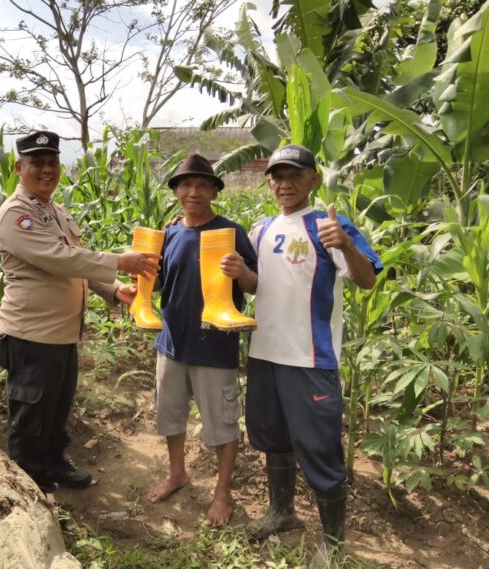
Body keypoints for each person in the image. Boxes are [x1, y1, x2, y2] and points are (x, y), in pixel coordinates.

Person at [238, 144, 383, 567]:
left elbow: (367, 280)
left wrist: (347, 246)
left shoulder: (327, 225)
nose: (285, 183)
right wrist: (238, 271)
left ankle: (333, 542)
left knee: (319, 448)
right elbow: (256, 285)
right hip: (265, 353)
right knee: (273, 437)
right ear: (269, 182)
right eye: (277, 176)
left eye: (295, 175)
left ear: (314, 180)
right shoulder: (261, 229)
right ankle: (282, 512)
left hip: (310, 358)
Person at [0, 130, 159, 494]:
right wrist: (120, 262)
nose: (47, 169)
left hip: (62, 334)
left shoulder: (57, 212)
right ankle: (29, 488)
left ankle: (53, 464)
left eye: (53, 162)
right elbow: (60, 259)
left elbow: (77, 268)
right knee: (30, 417)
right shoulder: (16, 216)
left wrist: (115, 290)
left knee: (55, 410)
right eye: (38, 163)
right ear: (19, 167)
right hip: (29, 335)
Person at [146, 154, 258, 527]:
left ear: (213, 191)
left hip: (215, 346)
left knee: (221, 425)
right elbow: (161, 284)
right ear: (176, 191)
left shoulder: (230, 232)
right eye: (185, 185)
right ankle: (177, 473)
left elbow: (254, 285)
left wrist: (241, 271)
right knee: (170, 415)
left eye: (201, 185)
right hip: (172, 343)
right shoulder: (170, 232)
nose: (193, 192)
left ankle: (222, 494)